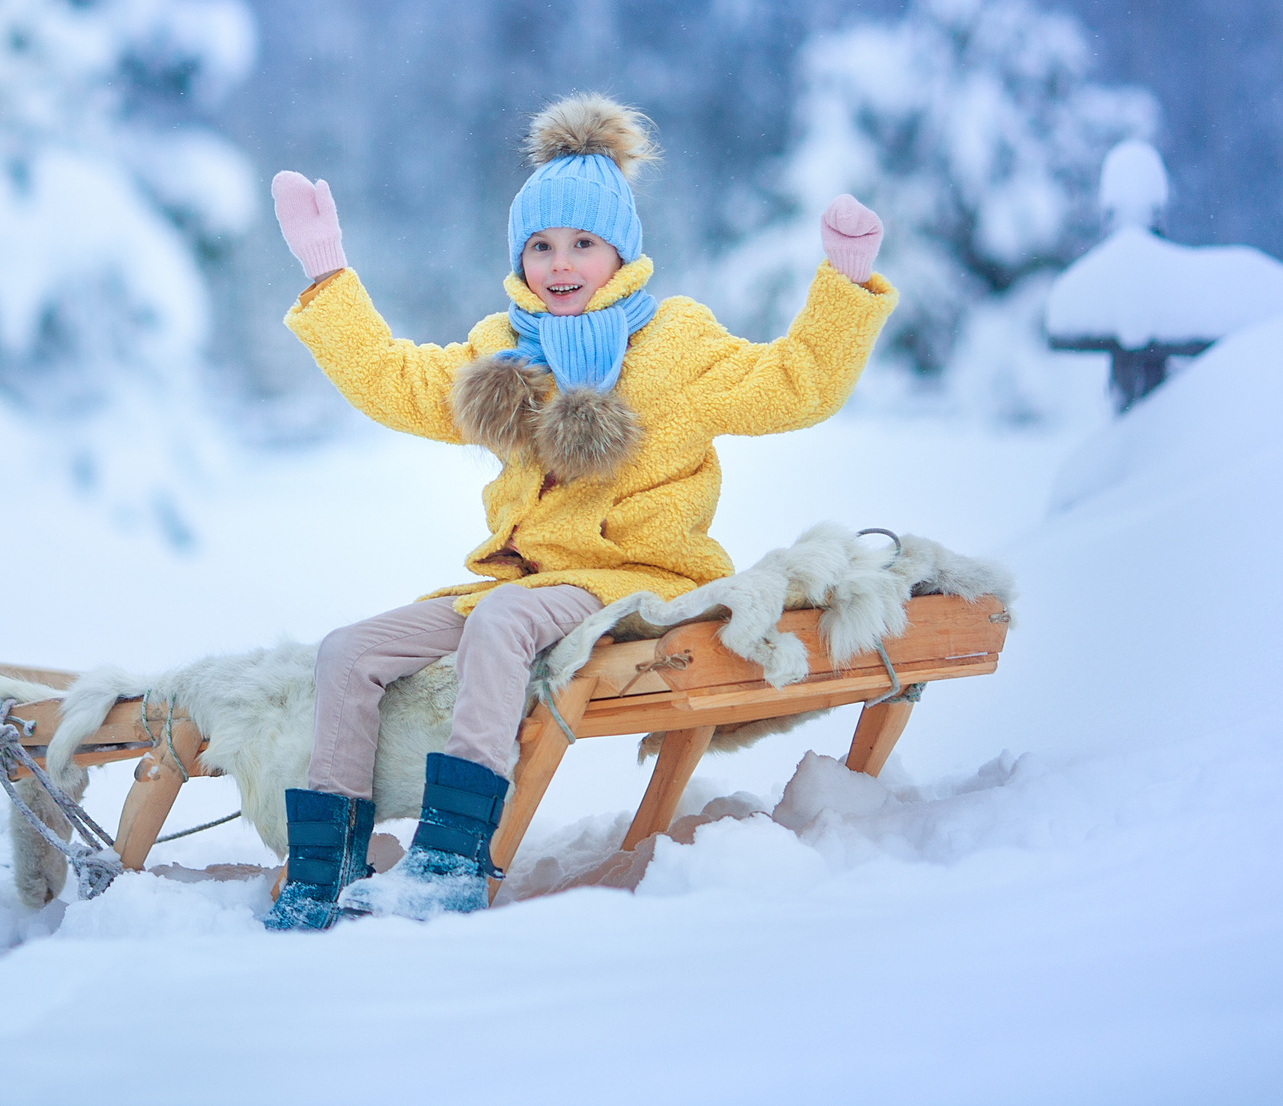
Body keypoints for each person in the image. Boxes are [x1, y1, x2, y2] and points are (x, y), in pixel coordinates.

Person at [262, 94, 896, 928]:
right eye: (542, 245)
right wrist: (327, 273)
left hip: (633, 577)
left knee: (502, 625)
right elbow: (397, 379)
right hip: (520, 583)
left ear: (619, 251)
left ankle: (451, 856)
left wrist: (843, 286)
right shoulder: (505, 350)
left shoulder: (673, 345)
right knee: (349, 650)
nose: (560, 264)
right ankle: (325, 864)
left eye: (582, 244)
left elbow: (794, 384)